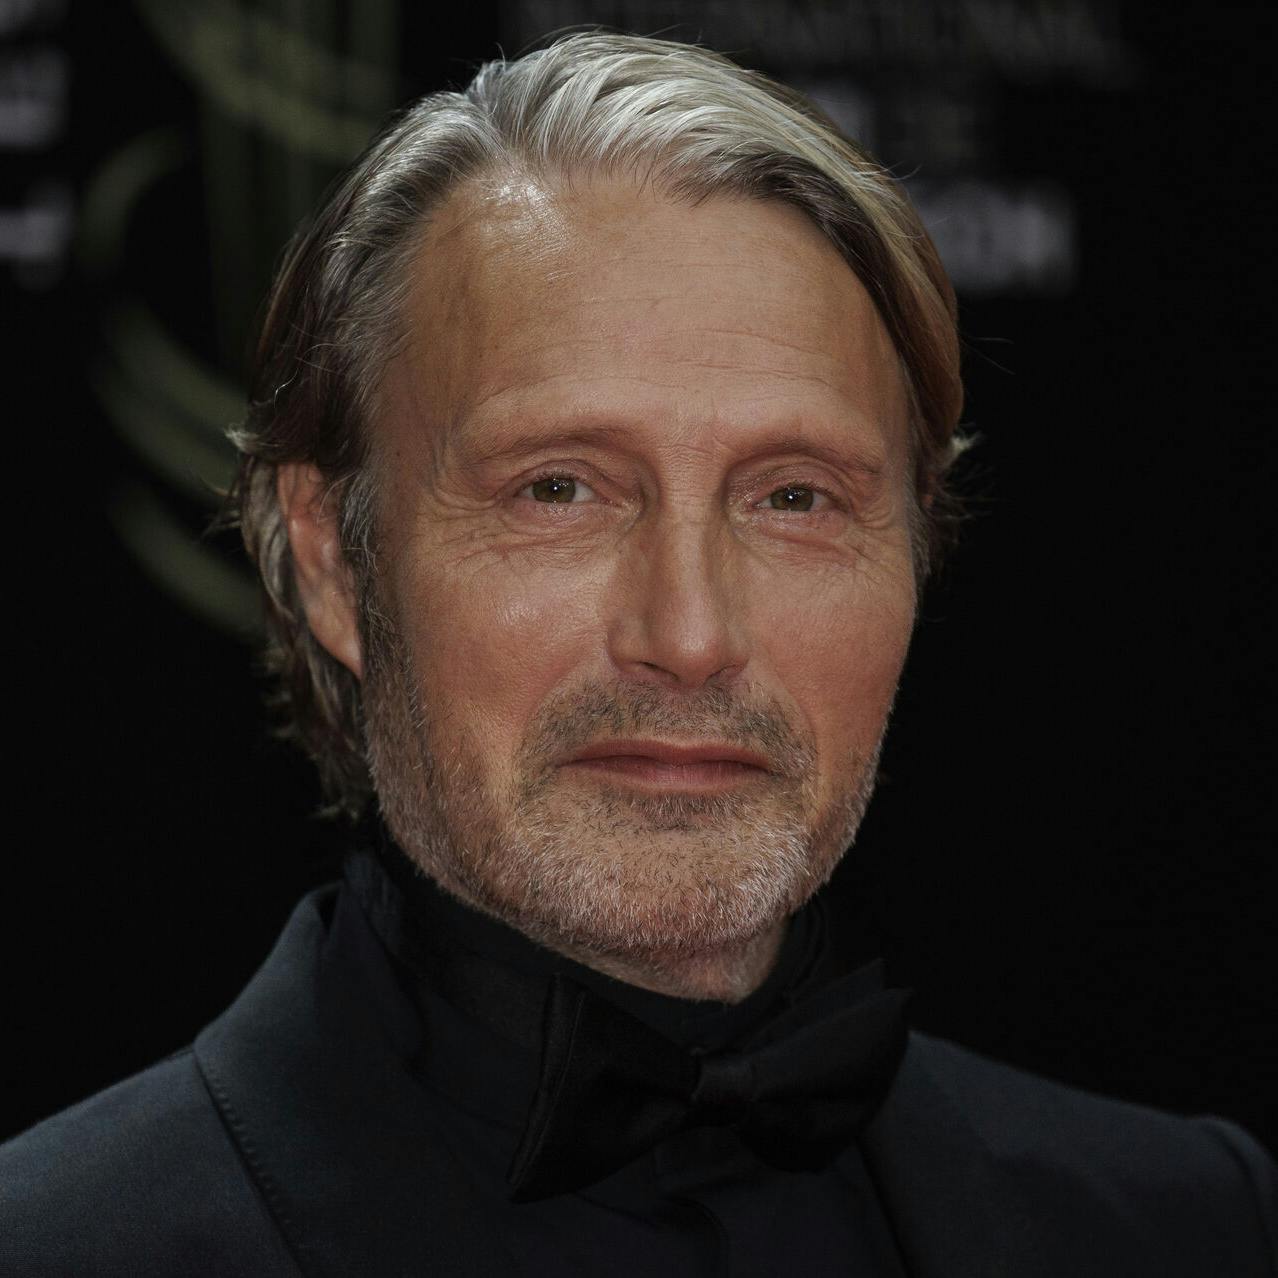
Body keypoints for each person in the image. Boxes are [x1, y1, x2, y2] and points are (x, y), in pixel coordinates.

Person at [2, 31, 1274, 1277]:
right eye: (560, 488)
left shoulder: (1189, 1225)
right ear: (335, 562)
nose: (691, 637)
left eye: (794, 499)